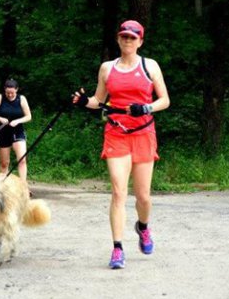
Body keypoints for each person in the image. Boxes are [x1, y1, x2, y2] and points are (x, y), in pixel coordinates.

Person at [72, 20, 170, 269]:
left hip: (143, 133)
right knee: (118, 192)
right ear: (118, 39)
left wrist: (145, 107)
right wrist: (84, 101)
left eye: (133, 37)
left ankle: (143, 227)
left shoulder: (150, 66)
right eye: (124, 37)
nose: (128, 41)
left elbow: (165, 100)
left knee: (144, 197)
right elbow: (98, 100)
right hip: (116, 133)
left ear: (140, 41)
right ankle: (117, 249)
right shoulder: (107, 68)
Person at [0, 79, 32, 182]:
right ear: (4, 90)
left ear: (16, 90)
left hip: (18, 131)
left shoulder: (21, 99)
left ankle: (23, 186)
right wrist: (0, 119)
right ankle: (3, 186)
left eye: (12, 93)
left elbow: (29, 116)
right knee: (4, 163)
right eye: (7, 93)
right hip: (3, 132)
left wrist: (18, 121)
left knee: (22, 160)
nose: (10, 95)